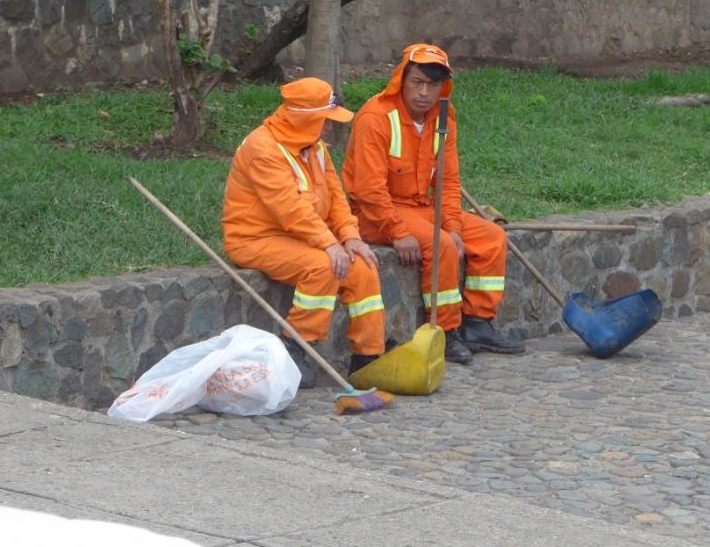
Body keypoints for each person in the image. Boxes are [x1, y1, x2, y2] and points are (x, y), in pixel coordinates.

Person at [342, 43, 525, 365]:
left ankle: (478, 322)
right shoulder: (376, 117)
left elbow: (448, 182)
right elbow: (368, 190)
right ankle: (446, 330)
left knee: (492, 237)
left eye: (433, 84)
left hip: (421, 207)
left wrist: (453, 226)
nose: (424, 92)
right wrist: (397, 231)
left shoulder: (444, 121)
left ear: (444, 87)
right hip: (375, 213)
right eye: (417, 82)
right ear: (402, 80)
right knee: (440, 246)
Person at [222, 78, 385, 388]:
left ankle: (367, 359)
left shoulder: (315, 146)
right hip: (253, 240)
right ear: (307, 119)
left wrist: (350, 237)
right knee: (323, 267)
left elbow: (336, 197)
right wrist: (328, 243)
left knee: (363, 267)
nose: (327, 128)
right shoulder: (262, 148)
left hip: (301, 237)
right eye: (324, 120)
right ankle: (295, 348)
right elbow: (289, 208)